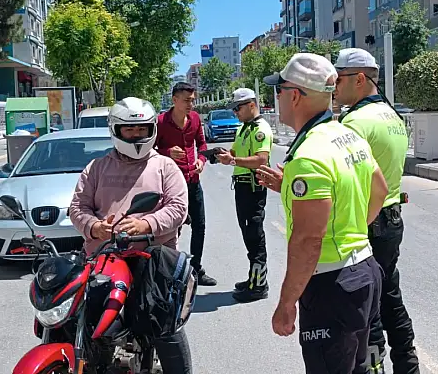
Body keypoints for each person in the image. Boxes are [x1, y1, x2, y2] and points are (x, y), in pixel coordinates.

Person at [257, 53, 389, 374]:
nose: (276, 98)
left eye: (279, 91)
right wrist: (351, 232)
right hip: (364, 270)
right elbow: (380, 190)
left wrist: (286, 304)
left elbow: (307, 241)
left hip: (332, 285)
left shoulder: (308, 155)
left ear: (295, 95)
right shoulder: (347, 136)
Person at [69, 97, 192, 374]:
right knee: (74, 316)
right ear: (116, 130)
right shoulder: (97, 167)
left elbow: (178, 208)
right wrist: (93, 226)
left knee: (164, 324)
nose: (136, 135)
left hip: (151, 259)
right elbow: (78, 207)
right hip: (101, 259)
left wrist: (146, 224)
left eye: (141, 129)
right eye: (129, 130)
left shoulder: (165, 167)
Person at [334, 48, 419, 374]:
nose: (335, 89)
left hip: (365, 222)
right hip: (392, 218)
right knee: (390, 298)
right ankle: (408, 367)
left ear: (359, 79)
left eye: (339, 80)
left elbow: (346, 182)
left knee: (366, 309)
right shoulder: (393, 117)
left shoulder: (354, 122)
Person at [214, 87, 273, 303]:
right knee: (248, 235)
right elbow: (236, 152)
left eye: (238, 108)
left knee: (255, 235)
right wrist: (225, 155)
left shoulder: (261, 130)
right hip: (241, 187)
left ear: (251, 105)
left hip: (253, 188)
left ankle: (258, 285)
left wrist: (233, 161)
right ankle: (253, 278)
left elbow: (261, 160)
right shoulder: (243, 128)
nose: (235, 112)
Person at [155, 82, 217, 286]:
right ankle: (170, 272)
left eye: (192, 100)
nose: (191, 104)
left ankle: (196, 269)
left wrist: (201, 160)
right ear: (174, 100)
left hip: (193, 181)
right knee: (173, 230)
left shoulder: (196, 119)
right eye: (186, 100)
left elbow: (202, 144)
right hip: (171, 185)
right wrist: (167, 153)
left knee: (200, 226)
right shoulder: (161, 122)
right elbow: (150, 150)